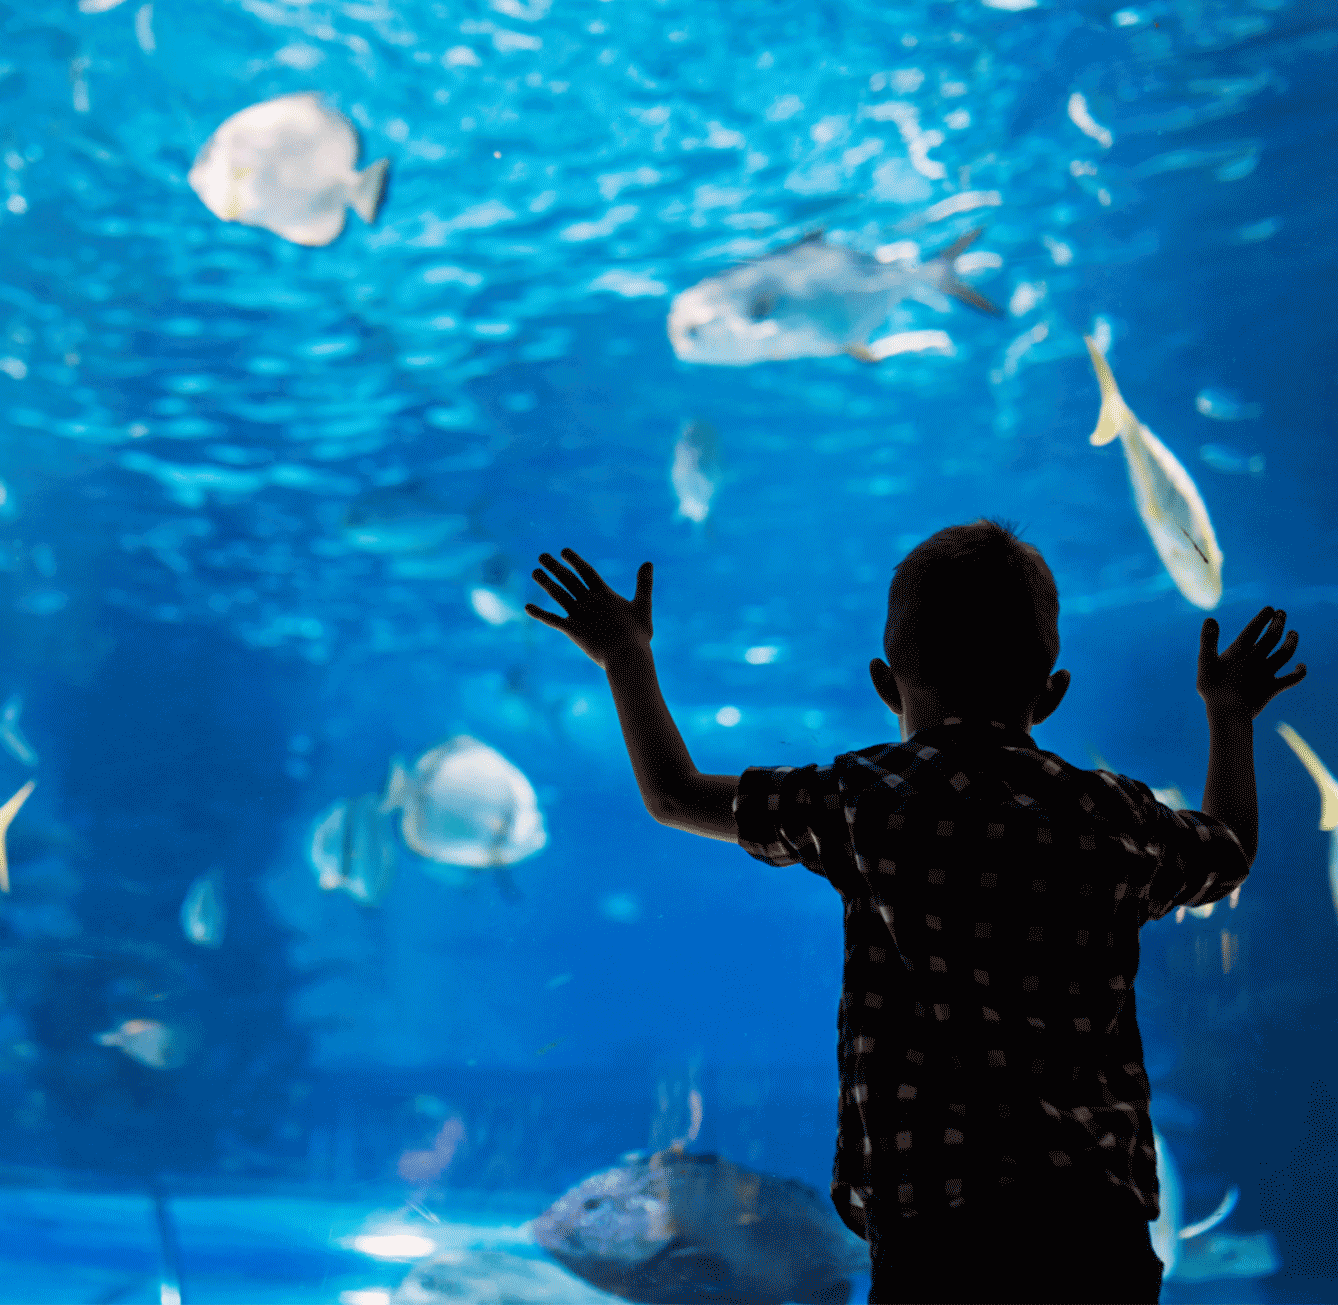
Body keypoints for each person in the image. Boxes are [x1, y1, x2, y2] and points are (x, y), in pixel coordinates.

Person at [526, 521, 1306, 1305]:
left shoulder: (867, 801)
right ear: (1051, 693)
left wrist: (625, 654)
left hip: (934, 1223)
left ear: (886, 683)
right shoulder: (1113, 816)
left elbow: (674, 793)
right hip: (1093, 1224)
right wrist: (1230, 712)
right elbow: (1230, 848)